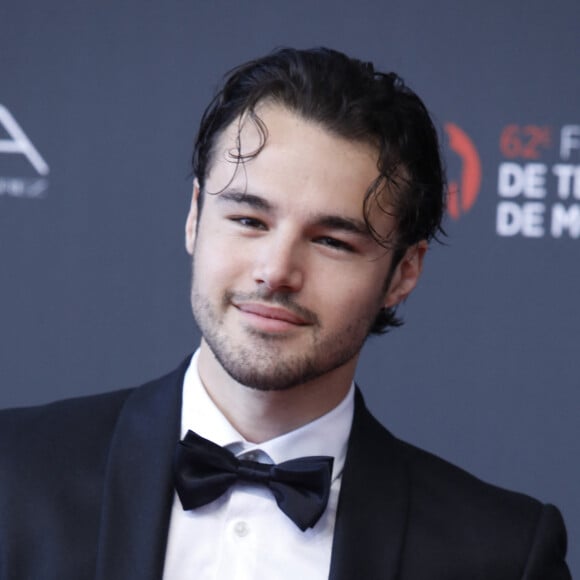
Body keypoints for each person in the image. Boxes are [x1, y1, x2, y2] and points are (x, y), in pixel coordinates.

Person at [0, 47, 570, 579]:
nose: (276, 270)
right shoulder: (13, 473)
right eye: (249, 220)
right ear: (196, 217)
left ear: (403, 273)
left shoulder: (501, 553)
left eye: (332, 242)